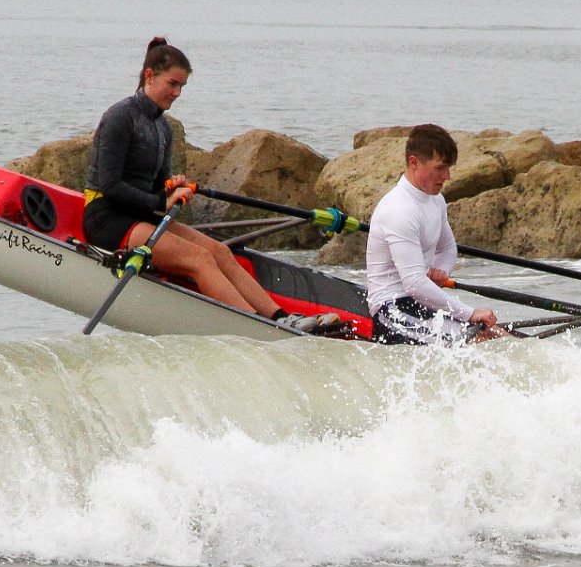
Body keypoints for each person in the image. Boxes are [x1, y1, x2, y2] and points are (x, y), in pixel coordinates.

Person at [85, 38, 337, 332]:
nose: (177, 93)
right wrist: (159, 202)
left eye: (182, 87)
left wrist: (169, 188)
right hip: (107, 218)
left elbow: (154, 186)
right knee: (199, 258)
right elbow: (110, 184)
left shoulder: (163, 128)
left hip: (140, 217)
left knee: (220, 252)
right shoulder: (120, 117)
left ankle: (281, 318)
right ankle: (259, 327)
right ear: (149, 76)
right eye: (172, 84)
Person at [365, 124, 504, 345]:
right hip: (391, 307)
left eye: (448, 168)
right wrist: (470, 313)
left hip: (422, 300)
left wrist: (442, 271)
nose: (447, 176)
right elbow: (414, 284)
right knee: (476, 343)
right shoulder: (399, 210)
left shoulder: (435, 200)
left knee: (499, 338)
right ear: (414, 162)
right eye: (440, 168)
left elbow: (447, 248)